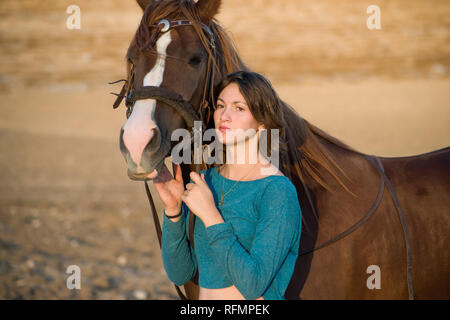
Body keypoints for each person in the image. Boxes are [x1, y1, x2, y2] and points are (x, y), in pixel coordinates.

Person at [153, 71, 302, 300]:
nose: (224, 115)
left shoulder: (277, 191)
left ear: (262, 123)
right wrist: (173, 212)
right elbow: (180, 273)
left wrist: (211, 215)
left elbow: (252, 285)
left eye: (238, 108)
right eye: (221, 105)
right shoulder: (205, 181)